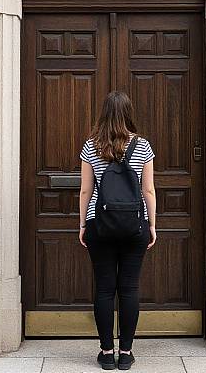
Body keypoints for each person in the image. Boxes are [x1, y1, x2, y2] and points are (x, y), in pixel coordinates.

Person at [78, 90, 157, 370]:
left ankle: (106, 353)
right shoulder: (143, 146)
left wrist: (83, 223)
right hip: (134, 224)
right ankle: (125, 354)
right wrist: (152, 224)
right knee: (129, 289)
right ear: (128, 112)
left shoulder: (91, 146)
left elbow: (87, 189)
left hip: (100, 224)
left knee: (103, 289)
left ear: (104, 114)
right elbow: (148, 189)